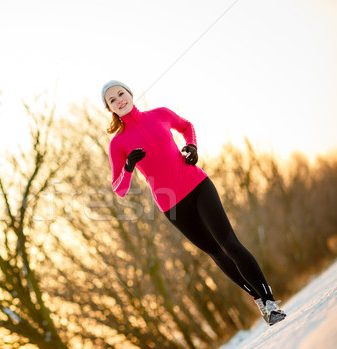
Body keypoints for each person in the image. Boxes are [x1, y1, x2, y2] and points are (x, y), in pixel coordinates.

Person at [102, 80, 286, 326]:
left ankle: (270, 301)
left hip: (198, 186)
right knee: (217, 253)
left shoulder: (159, 114)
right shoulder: (118, 143)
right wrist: (127, 167)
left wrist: (192, 147)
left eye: (121, 94)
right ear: (110, 108)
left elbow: (187, 126)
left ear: (130, 94)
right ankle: (258, 300)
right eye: (112, 100)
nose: (119, 100)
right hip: (171, 205)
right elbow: (119, 189)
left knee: (229, 243)